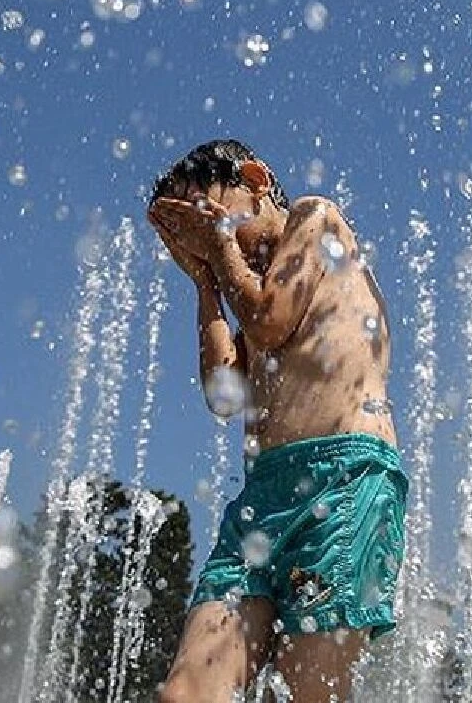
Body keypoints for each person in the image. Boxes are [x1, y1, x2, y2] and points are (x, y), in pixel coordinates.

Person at [147, 139, 407, 703]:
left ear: (257, 179)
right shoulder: (247, 283)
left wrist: (219, 252)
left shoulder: (315, 219)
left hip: (344, 479)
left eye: (209, 212)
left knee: (310, 691)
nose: (208, 232)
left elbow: (269, 321)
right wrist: (204, 282)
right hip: (264, 495)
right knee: (187, 693)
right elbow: (224, 393)